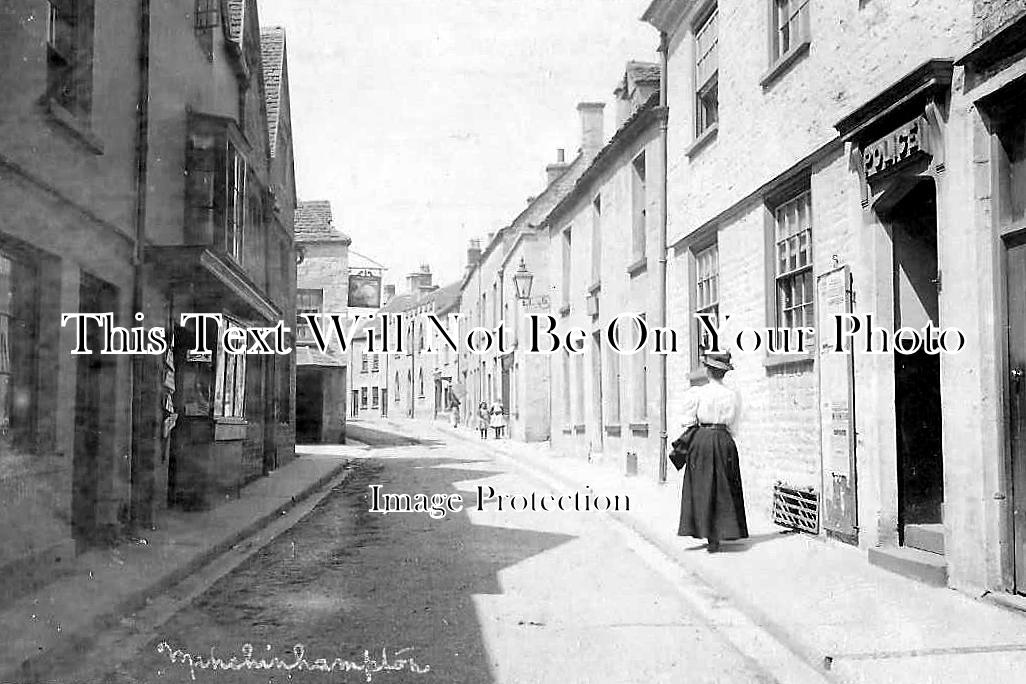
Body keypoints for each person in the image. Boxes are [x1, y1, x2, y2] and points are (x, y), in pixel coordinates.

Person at [677, 350, 747, 553]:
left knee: (702, 486)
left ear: (708, 371)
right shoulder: (733, 395)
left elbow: (688, 420)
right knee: (724, 485)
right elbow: (733, 426)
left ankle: (707, 533)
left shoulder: (697, 393)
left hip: (702, 440)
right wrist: (723, 436)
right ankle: (722, 531)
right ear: (724, 373)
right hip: (724, 440)